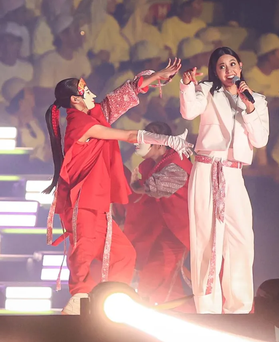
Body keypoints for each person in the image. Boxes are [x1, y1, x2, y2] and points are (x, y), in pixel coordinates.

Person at [43, 59, 193, 315]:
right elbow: (127, 135)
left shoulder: (92, 116)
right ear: (77, 101)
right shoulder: (81, 125)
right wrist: (168, 140)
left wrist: (155, 76)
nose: (92, 95)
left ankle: (111, 302)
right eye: (87, 93)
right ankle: (77, 300)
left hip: (98, 206)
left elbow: (118, 98)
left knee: (123, 256)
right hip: (83, 204)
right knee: (84, 249)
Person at [180, 47, 269, 313]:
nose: (228, 70)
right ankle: (208, 310)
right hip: (207, 169)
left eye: (232, 64)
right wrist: (186, 86)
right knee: (206, 240)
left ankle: (239, 308)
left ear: (240, 66)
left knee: (241, 239)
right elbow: (189, 112)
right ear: (215, 71)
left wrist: (249, 106)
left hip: (233, 173)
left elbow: (260, 140)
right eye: (222, 66)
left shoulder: (257, 100)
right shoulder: (206, 90)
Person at [124, 121, 193, 310]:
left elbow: (155, 188)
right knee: (157, 271)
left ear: (160, 144)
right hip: (162, 227)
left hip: (180, 231)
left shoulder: (177, 165)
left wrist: (135, 186)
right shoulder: (148, 164)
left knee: (159, 270)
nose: (139, 142)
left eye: (146, 139)